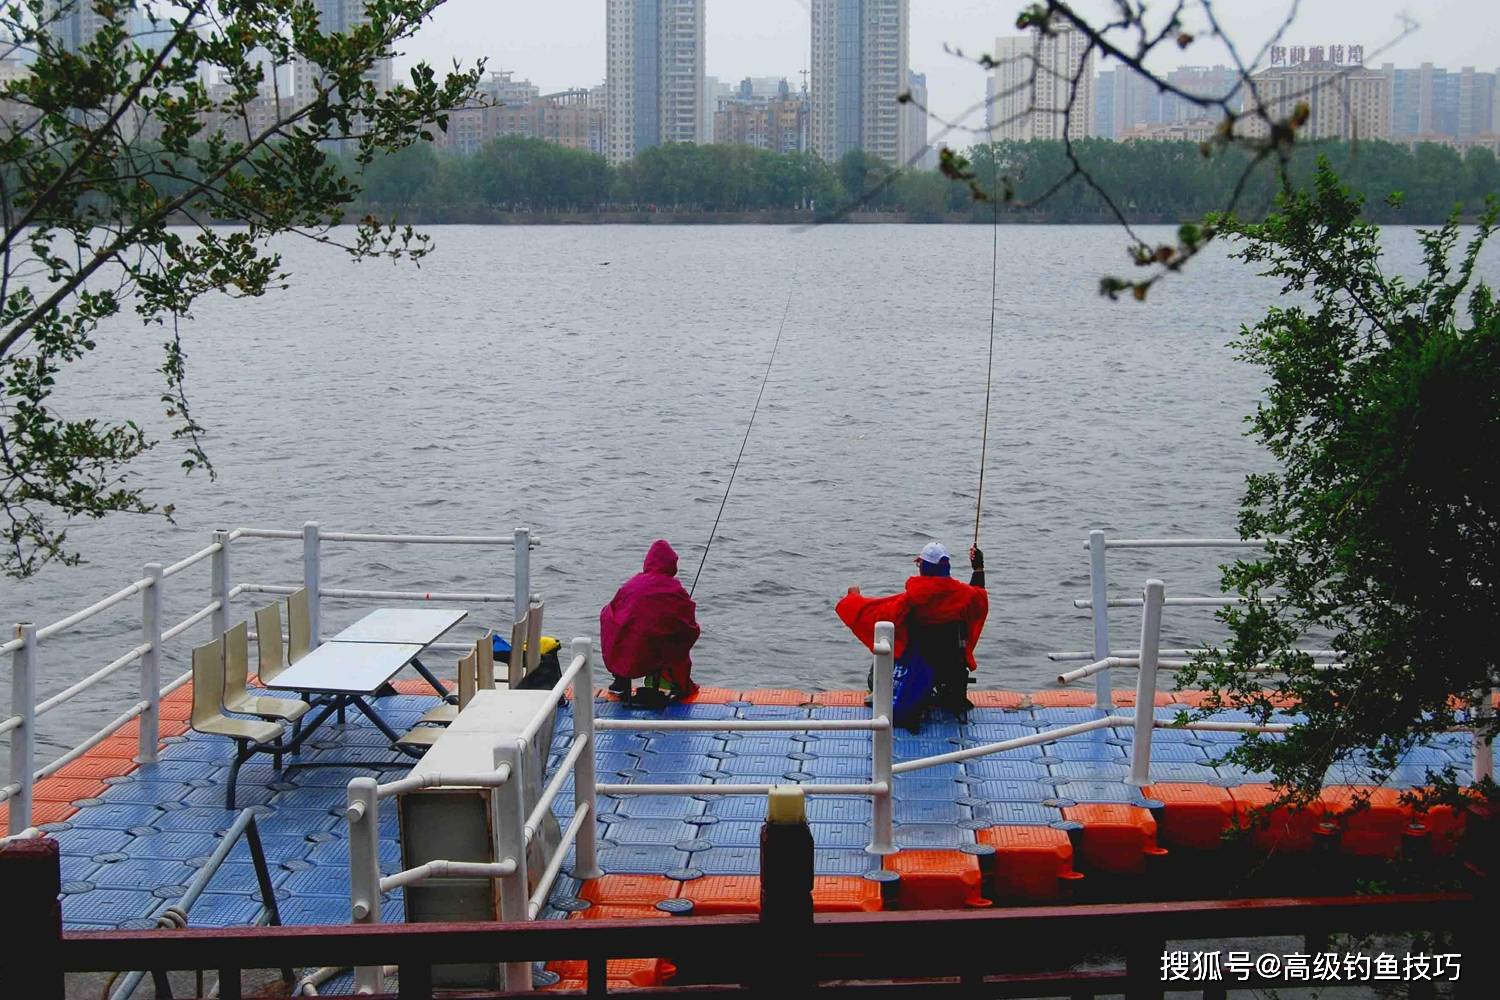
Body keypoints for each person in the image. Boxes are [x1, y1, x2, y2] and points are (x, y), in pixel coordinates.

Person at [836, 542, 988, 729]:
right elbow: (979, 598)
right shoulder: (965, 595)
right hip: (953, 665)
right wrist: (978, 568)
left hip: (921, 666)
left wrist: (853, 599)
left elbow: (878, 615)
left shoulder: (914, 597)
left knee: (876, 672)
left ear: (925, 567)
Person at [600, 539, 701, 705]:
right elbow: (688, 627)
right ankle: (678, 686)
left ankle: (620, 680)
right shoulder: (675, 589)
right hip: (653, 656)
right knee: (674, 642)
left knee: (616, 624)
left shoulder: (632, 584)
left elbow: (611, 611)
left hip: (626, 654)